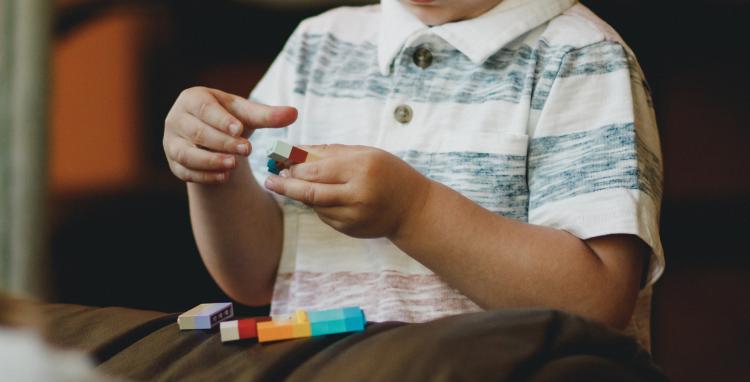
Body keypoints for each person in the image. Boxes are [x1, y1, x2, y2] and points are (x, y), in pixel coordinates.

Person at [163, 0, 664, 348]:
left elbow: (596, 301)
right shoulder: (318, 45)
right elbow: (256, 277)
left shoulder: (581, 57)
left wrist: (414, 211)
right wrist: (216, 168)